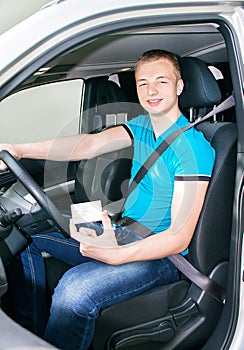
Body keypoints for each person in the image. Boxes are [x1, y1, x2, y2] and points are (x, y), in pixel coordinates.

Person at [0, 49, 215, 350]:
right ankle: (32, 334)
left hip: (160, 254)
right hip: (123, 231)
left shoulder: (194, 149)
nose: (151, 91)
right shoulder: (141, 127)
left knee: (73, 292)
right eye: (142, 83)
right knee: (27, 235)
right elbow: (88, 144)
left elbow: (178, 237)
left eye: (161, 82)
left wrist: (119, 255)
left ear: (179, 87)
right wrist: (19, 150)